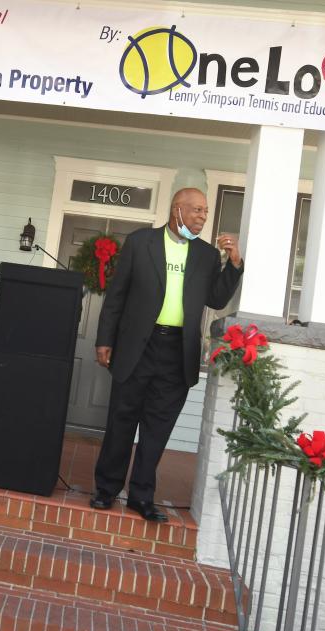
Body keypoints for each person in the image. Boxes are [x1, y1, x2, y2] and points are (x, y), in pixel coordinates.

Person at [90, 188, 243, 522]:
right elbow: (117, 295)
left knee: (157, 428)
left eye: (205, 211)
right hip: (136, 347)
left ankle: (141, 496)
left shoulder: (205, 256)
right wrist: (105, 339)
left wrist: (233, 265)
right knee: (121, 420)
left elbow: (216, 300)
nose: (203, 217)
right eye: (197, 210)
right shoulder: (140, 242)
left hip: (177, 351)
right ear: (178, 210)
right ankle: (106, 489)